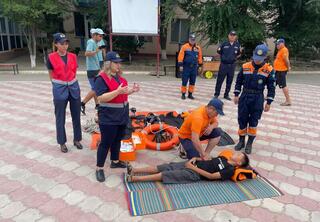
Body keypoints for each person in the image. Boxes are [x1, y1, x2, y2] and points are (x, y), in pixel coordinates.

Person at [94, 51, 140, 182]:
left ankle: (115, 161)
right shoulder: (101, 78)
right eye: (116, 63)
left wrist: (131, 91)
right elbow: (101, 97)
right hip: (108, 117)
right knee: (106, 143)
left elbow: (121, 95)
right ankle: (99, 168)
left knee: (117, 140)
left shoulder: (120, 78)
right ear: (108, 64)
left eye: (119, 63)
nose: (119, 65)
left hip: (121, 115)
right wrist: (118, 91)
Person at [233, 44, 276, 154]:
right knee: (242, 119)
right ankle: (241, 141)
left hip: (258, 98)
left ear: (265, 57)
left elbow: (271, 87)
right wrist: (236, 94)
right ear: (253, 55)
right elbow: (238, 82)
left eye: (260, 59)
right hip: (245, 96)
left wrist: (269, 102)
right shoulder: (245, 66)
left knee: (253, 121)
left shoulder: (269, 70)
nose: (257, 60)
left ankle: (249, 143)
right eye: (256, 57)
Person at [47, 33, 83, 153]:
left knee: (76, 115)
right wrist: (56, 85)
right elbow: (50, 73)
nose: (65, 46)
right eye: (62, 43)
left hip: (73, 87)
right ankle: (62, 142)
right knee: (60, 116)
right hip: (59, 88)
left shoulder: (73, 56)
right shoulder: (51, 57)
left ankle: (77, 139)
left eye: (66, 43)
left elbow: (74, 71)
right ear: (56, 44)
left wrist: (72, 83)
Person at [126, 151, 249, 183]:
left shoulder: (230, 170)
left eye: (239, 155)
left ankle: (135, 179)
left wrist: (192, 167)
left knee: (167, 175)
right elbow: (209, 160)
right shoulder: (224, 158)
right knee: (165, 167)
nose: (236, 153)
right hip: (193, 164)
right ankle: (135, 170)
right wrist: (196, 159)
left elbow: (211, 176)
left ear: (239, 163)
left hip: (195, 174)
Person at [81, 28, 105, 115]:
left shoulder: (96, 43)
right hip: (92, 69)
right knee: (96, 88)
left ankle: (97, 105)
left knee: (95, 88)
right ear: (94, 35)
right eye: (100, 36)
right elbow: (86, 53)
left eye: (102, 36)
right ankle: (82, 103)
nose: (101, 37)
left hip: (96, 67)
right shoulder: (91, 42)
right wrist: (96, 51)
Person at [214, 31, 241, 100]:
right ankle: (216, 94)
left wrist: (233, 59)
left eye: (234, 35)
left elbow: (238, 54)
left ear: (235, 37)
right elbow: (219, 52)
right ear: (228, 36)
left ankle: (226, 94)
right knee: (220, 80)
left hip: (232, 66)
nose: (232, 36)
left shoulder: (237, 45)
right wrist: (224, 58)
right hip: (224, 65)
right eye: (231, 35)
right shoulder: (223, 44)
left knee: (229, 81)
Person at [178, 33, 203, 100]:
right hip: (186, 67)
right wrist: (180, 65)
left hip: (194, 67)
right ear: (189, 39)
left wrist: (200, 65)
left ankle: (190, 94)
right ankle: (183, 94)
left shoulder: (198, 48)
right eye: (191, 39)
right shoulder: (184, 47)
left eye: (193, 40)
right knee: (184, 81)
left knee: (192, 81)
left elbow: (200, 57)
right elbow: (180, 56)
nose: (192, 41)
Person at [274, 38, 291, 106]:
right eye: (276, 44)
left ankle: (288, 100)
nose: (277, 45)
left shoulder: (284, 50)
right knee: (273, 83)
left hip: (281, 71)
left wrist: (288, 67)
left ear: (282, 43)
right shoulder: (280, 50)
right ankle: (269, 96)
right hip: (278, 70)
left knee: (283, 85)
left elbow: (286, 60)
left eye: (278, 44)